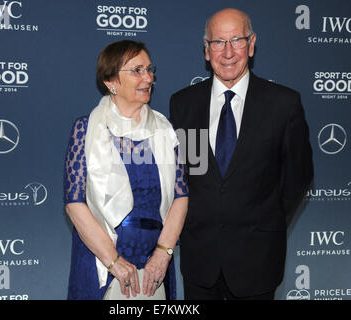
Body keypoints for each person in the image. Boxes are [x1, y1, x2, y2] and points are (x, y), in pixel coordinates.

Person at [169, 8, 313, 300]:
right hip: (200, 261)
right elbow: (188, 173)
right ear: (207, 50)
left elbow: (299, 177)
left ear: (252, 43)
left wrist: (264, 221)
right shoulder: (183, 104)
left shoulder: (284, 104)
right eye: (218, 42)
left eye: (237, 40)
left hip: (258, 259)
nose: (228, 52)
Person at [64, 40, 188, 300]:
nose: (149, 77)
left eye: (149, 69)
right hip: (100, 260)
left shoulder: (167, 130)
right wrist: (113, 261)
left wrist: (163, 253)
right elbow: (74, 203)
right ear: (111, 81)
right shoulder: (86, 130)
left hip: (155, 263)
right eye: (137, 70)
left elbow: (180, 196)